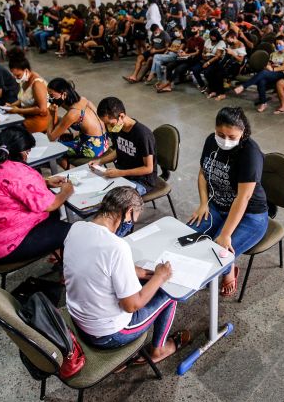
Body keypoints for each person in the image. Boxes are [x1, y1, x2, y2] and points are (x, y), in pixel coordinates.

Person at [63, 186, 190, 361]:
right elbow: (132, 306)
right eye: (133, 220)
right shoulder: (117, 247)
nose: (130, 225)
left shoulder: (76, 228)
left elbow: (94, 263)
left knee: (147, 283)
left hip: (78, 322)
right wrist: (160, 276)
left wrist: (136, 271)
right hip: (108, 334)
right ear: (128, 211)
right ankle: (158, 350)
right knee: (169, 294)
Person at [187, 107, 268, 297]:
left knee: (217, 255)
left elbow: (243, 197)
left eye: (232, 137)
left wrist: (225, 234)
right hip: (217, 206)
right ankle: (225, 266)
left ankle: (229, 270)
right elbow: (203, 173)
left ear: (243, 133)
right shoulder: (211, 141)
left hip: (250, 215)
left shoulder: (250, 153)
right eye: (220, 134)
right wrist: (204, 203)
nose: (225, 140)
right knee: (186, 240)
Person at [0, 126, 74, 263]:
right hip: (3, 245)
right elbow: (51, 205)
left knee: (54, 216)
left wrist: (44, 182)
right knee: (73, 231)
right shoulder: (19, 173)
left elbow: (3, 186)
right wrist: (66, 191)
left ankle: (56, 250)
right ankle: (65, 261)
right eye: (28, 152)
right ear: (22, 152)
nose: (28, 156)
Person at [91, 97, 157, 195]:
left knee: (111, 198)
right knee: (97, 188)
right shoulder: (117, 128)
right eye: (106, 124)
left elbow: (148, 168)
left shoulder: (142, 135)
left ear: (121, 116)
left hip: (141, 181)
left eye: (110, 123)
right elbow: (119, 150)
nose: (109, 127)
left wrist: (120, 173)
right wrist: (100, 161)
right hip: (123, 175)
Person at [46, 78, 110, 165]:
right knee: (62, 132)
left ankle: (69, 170)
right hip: (104, 141)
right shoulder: (83, 100)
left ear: (64, 94)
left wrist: (52, 115)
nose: (50, 98)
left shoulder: (73, 113)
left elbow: (51, 137)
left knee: (53, 148)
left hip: (93, 148)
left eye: (51, 95)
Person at [233, 35, 284, 111]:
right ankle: (263, 103)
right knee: (261, 81)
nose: (278, 45)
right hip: (271, 73)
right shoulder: (273, 54)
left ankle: (243, 86)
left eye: (280, 44)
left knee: (264, 73)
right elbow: (268, 64)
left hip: (281, 74)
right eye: (277, 44)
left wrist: (273, 69)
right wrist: (269, 67)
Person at [4, 52, 49, 133]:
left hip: (41, 119)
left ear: (26, 70)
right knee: (8, 121)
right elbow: (23, 99)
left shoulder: (37, 84)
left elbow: (42, 109)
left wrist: (18, 110)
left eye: (18, 75)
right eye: (14, 75)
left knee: (13, 131)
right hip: (29, 115)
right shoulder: (25, 79)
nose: (16, 78)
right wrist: (11, 106)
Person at [205, 30, 246, 100]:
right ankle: (214, 90)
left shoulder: (241, 45)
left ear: (234, 37)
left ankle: (222, 93)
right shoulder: (231, 43)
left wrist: (232, 53)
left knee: (219, 74)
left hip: (235, 66)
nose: (228, 41)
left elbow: (241, 60)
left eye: (229, 39)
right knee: (211, 71)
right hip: (228, 64)